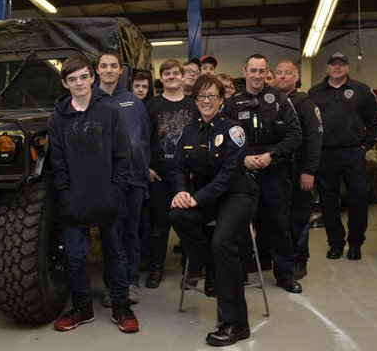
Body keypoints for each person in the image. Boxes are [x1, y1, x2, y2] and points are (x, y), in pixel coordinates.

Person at [49, 55, 139, 333]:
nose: (79, 83)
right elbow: (58, 162)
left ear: (92, 78)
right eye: (72, 79)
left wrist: (117, 191)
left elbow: (123, 156)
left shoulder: (110, 113)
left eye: (83, 77)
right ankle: (82, 307)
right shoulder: (57, 118)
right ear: (65, 83)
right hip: (74, 200)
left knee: (115, 254)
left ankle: (121, 306)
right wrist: (65, 195)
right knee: (75, 257)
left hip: (109, 197)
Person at [169, 74, 259, 347]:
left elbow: (230, 174)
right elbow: (179, 168)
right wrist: (182, 191)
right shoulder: (189, 131)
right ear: (194, 100)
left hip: (238, 193)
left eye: (212, 96)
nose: (206, 101)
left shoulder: (234, 130)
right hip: (207, 196)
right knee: (176, 214)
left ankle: (236, 323)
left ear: (222, 100)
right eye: (201, 96)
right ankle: (208, 264)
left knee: (222, 242)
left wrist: (198, 198)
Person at [225, 54, 302, 293]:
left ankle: (285, 274)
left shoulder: (279, 99)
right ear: (245, 71)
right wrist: (243, 158)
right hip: (243, 172)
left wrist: (272, 155)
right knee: (241, 225)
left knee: (279, 224)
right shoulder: (231, 102)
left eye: (261, 71)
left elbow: (295, 135)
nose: (257, 76)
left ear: (266, 72)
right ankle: (242, 273)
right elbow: (223, 139)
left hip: (274, 170)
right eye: (253, 71)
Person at [308, 52, 377, 261]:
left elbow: (376, 122)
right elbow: (309, 126)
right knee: (329, 201)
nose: (337, 67)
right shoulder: (315, 92)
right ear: (327, 68)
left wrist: (364, 146)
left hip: (353, 153)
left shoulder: (362, 90)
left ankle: (355, 244)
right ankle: (336, 244)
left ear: (348, 68)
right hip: (325, 154)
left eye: (342, 64)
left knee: (359, 197)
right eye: (333, 64)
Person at [93, 49, 151, 307]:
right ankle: (112, 285)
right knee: (110, 233)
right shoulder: (88, 99)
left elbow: (144, 141)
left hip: (134, 179)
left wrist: (144, 173)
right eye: (103, 65)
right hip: (104, 182)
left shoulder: (133, 102)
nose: (108, 70)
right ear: (97, 70)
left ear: (120, 70)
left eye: (112, 65)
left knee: (130, 233)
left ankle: (130, 283)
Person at [144, 59, 197, 289]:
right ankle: (156, 269)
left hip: (188, 178)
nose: (172, 77)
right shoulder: (151, 106)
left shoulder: (194, 105)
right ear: (161, 78)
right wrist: (146, 167)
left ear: (184, 76)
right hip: (159, 177)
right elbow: (142, 140)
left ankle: (190, 270)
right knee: (159, 227)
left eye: (176, 73)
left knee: (188, 224)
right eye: (167, 74)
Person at [274, 60, 322, 280]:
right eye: (279, 73)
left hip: (300, 168)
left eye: (287, 73)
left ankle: (299, 260)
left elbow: (314, 139)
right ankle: (279, 259)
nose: (282, 76)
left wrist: (309, 171)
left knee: (299, 217)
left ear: (296, 77)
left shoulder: (305, 103)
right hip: (277, 170)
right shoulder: (270, 101)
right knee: (279, 218)